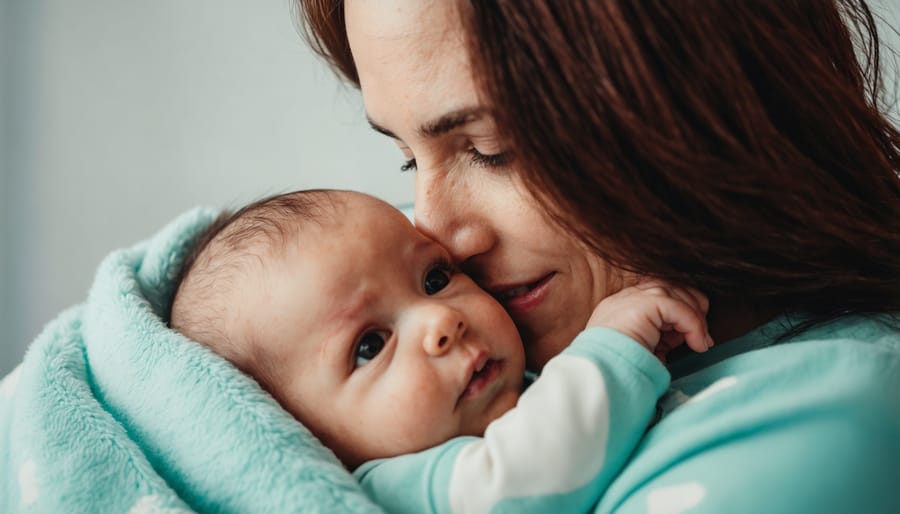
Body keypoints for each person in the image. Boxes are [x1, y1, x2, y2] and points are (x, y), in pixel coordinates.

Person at [295, 1, 900, 512]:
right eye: (407, 157)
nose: (434, 234)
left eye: (491, 149)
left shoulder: (824, 432)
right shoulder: (394, 301)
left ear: (701, 90)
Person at [170, 189, 712, 512]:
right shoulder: (398, 485)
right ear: (302, 432)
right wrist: (615, 348)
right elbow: (531, 476)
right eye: (370, 346)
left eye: (433, 278)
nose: (441, 321)